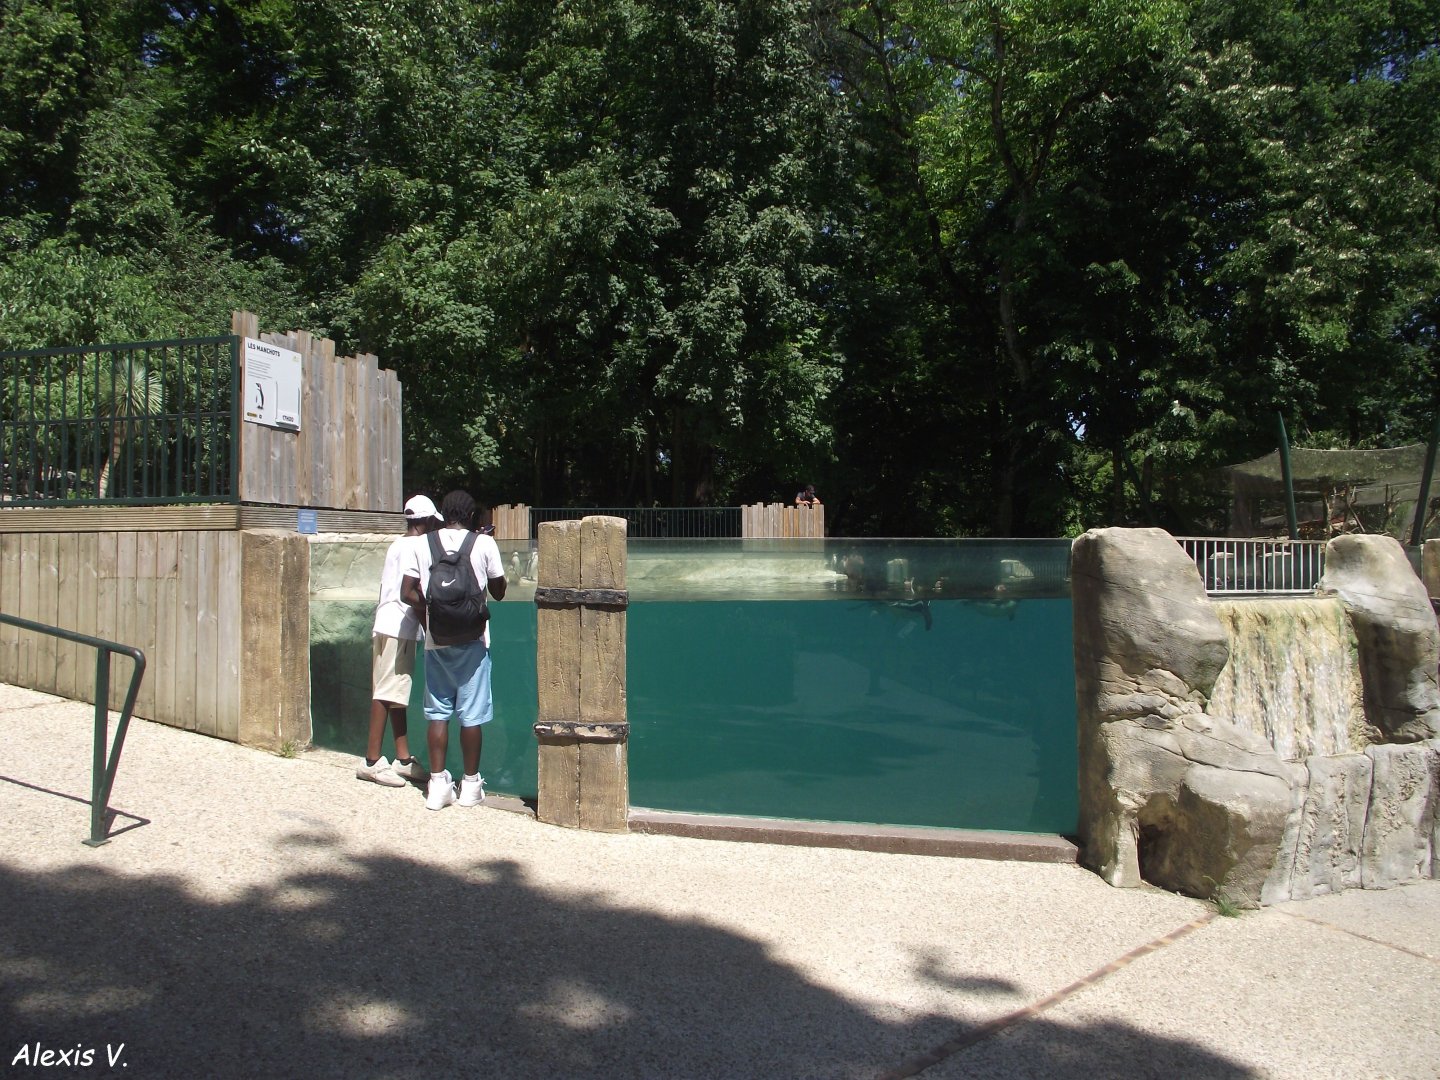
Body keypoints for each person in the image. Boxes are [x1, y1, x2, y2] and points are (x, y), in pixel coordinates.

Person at [400, 489, 507, 810]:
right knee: (471, 716)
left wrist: (434, 609)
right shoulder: (484, 543)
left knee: (438, 714)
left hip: (437, 641)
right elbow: (499, 591)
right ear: (471, 516)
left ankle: (436, 784)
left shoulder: (421, 544)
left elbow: (407, 593)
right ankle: (471, 785)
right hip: (474, 642)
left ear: (443, 514)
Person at [355, 494, 442, 788]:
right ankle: (371, 760)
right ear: (428, 520)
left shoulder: (397, 544)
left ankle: (402, 758)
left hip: (384, 621)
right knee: (386, 691)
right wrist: (431, 627)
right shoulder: (420, 547)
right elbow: (415, 590)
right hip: (401, 627)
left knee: (395, 691)